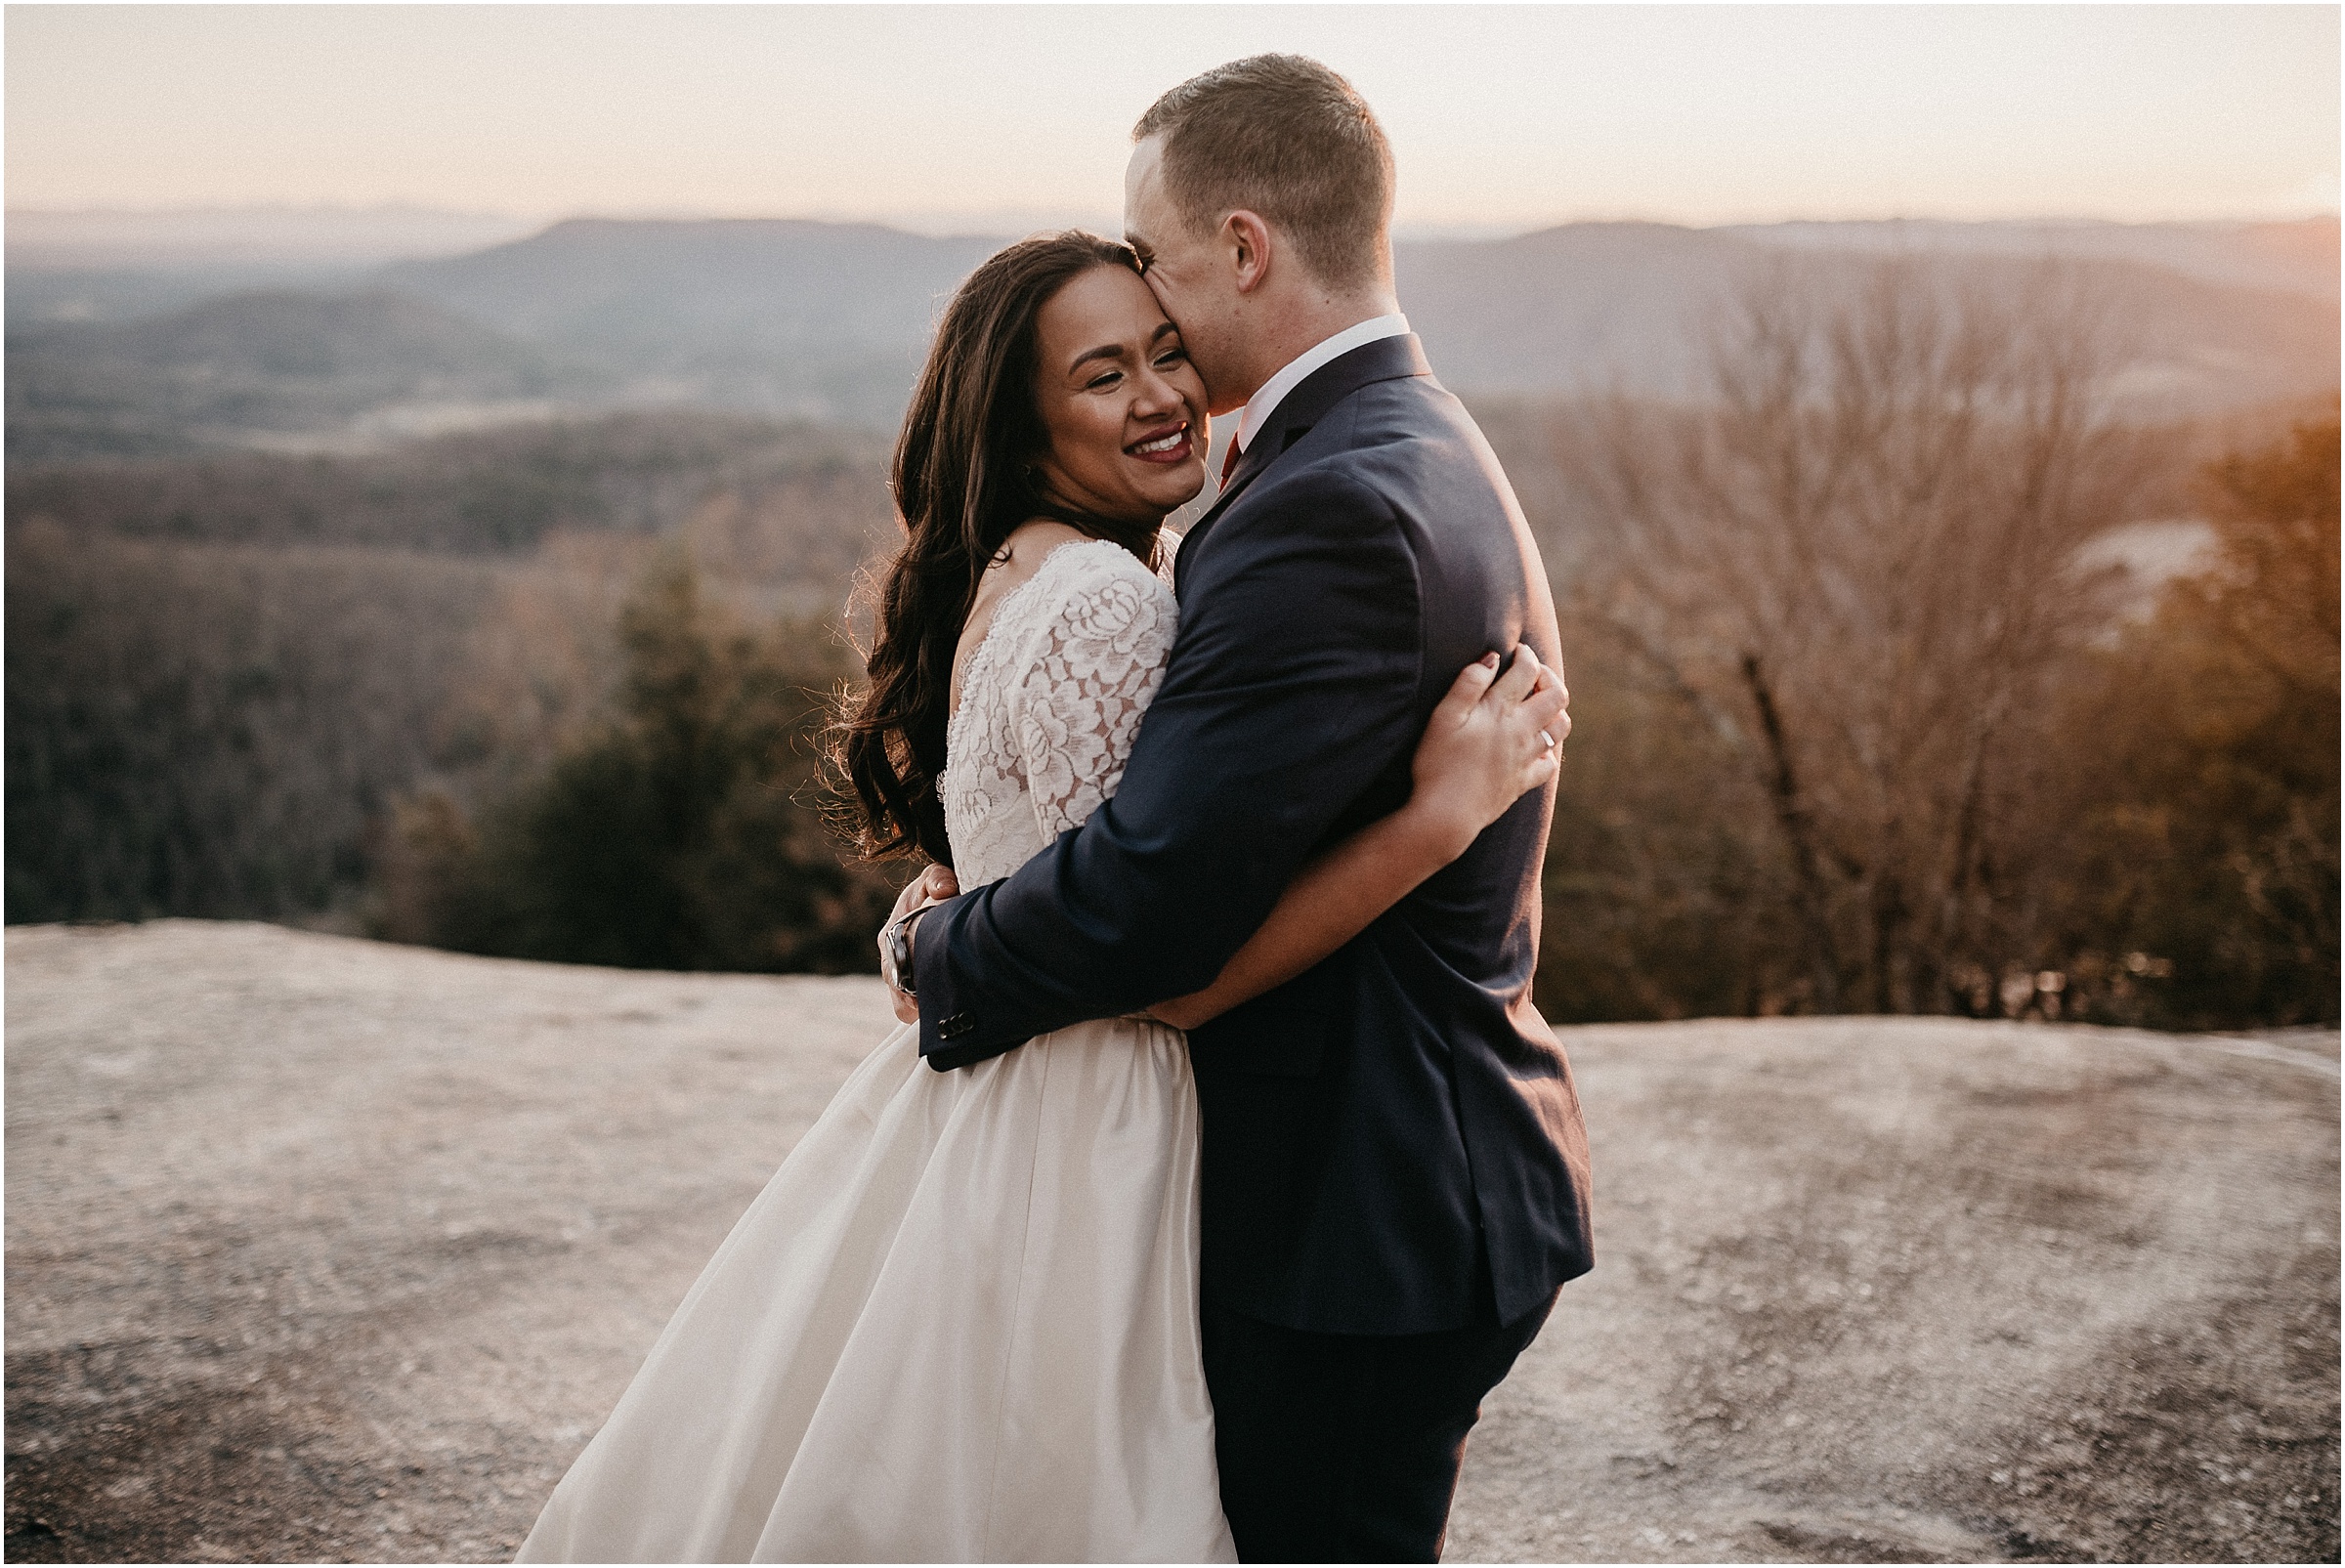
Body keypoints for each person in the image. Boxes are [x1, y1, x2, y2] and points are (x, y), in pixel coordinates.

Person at [515, 223, 1567, 1557]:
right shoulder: (1104, 606)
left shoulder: (1030, 570)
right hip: (1093, 1119)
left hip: (1009, 1096)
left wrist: (930, 931)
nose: (1162, 395)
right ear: (1023, 433)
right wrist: (1437, 817)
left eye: (1168, 352)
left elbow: (1029, 858)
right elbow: (1168, 957)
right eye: (1104, 374)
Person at [892, 56, 1596, 1562]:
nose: (1143, 307)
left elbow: (1151, 908)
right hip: (1407, 1186)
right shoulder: (1410, 433)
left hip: (1359, 1223)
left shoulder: (1323, 505)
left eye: (1150, 258)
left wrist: (935, 953)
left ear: (1244, 248)